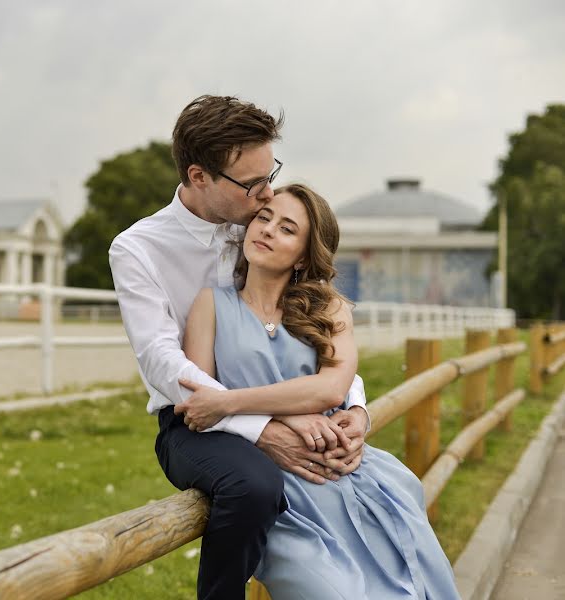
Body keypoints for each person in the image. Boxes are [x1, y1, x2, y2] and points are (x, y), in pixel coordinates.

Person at [109, 95, 370, 600]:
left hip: (282, 401)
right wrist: (266, 424)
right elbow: (163, 362)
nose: (266, 191)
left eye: (269, 172)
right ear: (199, 176)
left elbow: (310, 327)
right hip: (193, 419)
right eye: (252, 183)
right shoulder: (138, 249)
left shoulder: (259, 227)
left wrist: (353, 405)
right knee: (253, 486)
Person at [176, 183, 459, 599]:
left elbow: (331, 388)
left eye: (287, 229)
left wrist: (231, 400)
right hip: (281, 493)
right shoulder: (209, 305)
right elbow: (200, 402)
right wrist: (285, 413)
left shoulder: (330, 308)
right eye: (264, 217)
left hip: (345, 472)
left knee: (417, 581)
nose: (268, 230)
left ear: (305, 255)